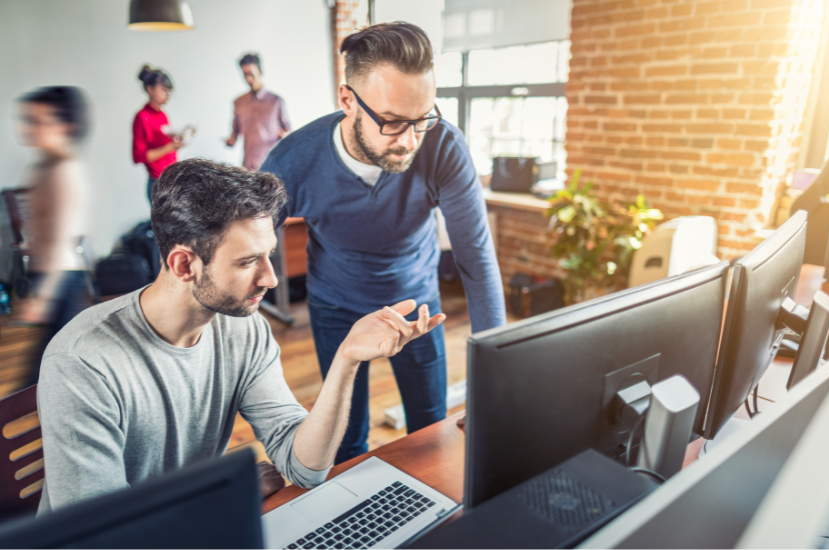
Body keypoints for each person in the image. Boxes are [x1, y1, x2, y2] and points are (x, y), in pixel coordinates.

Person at [36, 158, 444, 513]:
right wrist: (220, 495)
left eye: (269, 254)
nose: (271, 277)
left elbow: (303, 465)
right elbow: (100, 536)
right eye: (249, 261)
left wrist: (347, 359)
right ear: (184, 264)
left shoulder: (242, 328)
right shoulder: (83, 362)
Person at [260, 22, 506, 464]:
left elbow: (476, 259)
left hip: (418, 308)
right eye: (392, 122)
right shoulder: (292, 160)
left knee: (430, 433)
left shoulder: (443, 146)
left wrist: (495, 380)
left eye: (422, 119)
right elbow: (247, 250)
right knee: (347, 441)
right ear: (347, 100)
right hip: (336, 307)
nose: (410, 141)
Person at [15, 86, 91, 389]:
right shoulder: (46, 166)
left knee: (45, 374)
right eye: (28, 120)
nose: (29, 129)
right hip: (49, 275)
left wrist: (44, 296)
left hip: (62, 279)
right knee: (50, 371)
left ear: (66, 126)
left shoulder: (64, 170)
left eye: (39, 121)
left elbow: (61, 241)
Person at [226, 53, 292, 170]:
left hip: (272, 166)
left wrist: (284, 136)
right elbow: (234, 134)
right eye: (245, 75)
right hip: (247, 168)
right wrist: (230, 141)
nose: (248, 79)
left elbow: (289, 132)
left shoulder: (276, 101)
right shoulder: (238, 103)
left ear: (260, 72)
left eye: (251, 74)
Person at [132, 65, 185, 202]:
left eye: (169, 92)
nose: (167, 96)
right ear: (150, 89)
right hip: (158, 182)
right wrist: (170, 147)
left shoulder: (162, 115)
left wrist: (177, 141)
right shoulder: (142, 117)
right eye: (164, 91)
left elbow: (165, 142)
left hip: (172, 179)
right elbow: (139, 156)